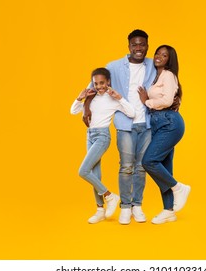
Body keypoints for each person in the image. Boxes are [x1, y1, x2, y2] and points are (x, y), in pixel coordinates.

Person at [82, 29, 157, 225]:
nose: (138, 48)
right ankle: (125, 206)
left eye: (142, 44)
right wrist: (86, 108)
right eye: (135, 44)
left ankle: (137, 206)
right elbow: (93, 87)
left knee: (141, 168)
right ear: (129, 46)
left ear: (147, 46)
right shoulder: (114, 67)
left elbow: (167, 77)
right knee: (126, 167)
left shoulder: (152, 64)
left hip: (147, 122)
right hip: (125, 124)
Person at [70, 67, 136, 224]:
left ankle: (110, 196)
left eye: (102, 83)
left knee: (83, 171)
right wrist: (80, 98)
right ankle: (100, 210)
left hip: (102, 136)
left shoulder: (112, 98)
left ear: (108, 82)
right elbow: (73, 111)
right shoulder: (90, 97)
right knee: (95, 174)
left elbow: (132, 113)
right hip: (90, 135)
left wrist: (120, 98)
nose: (99, 86)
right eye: (96, 83)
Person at [138, 45, 191, 224]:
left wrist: (147, 101)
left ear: (170, 60)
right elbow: (172, 98)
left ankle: (179, 188)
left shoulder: (168, 75)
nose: (159, 57)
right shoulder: (157, 76)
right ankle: (169, 210)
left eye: (164, 55)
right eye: (158, 53)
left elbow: (168, 100)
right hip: (161, 123)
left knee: (149, 161)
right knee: (164, 168)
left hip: (169, 123)